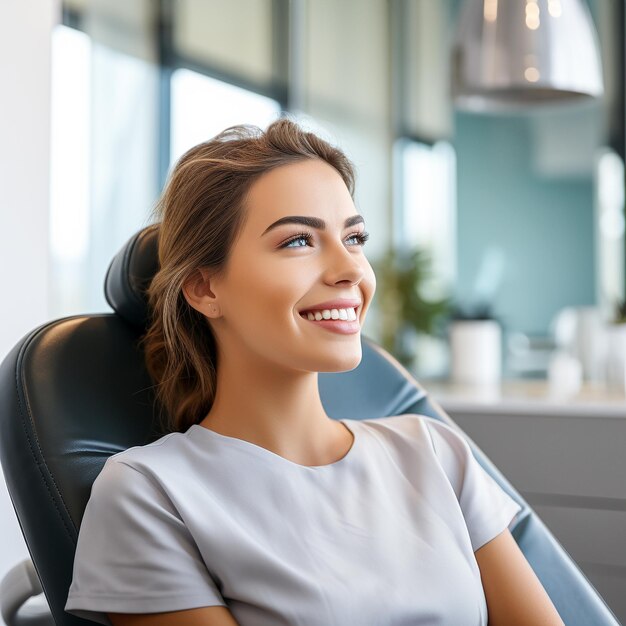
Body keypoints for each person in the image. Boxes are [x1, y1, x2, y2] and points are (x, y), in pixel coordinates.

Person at [64, 118, 565, 626]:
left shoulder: (434, 452)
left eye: (355, 237)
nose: (350, 269)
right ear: (204, 289)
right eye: (299, 241)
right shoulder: (150, 494)